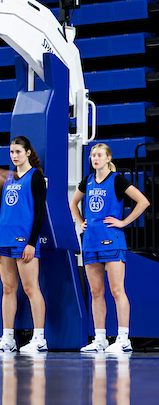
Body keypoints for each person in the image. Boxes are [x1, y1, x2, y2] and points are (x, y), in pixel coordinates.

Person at [70, 143, 150, 355]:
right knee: (96, 292)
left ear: (108, 158)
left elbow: (143, 201)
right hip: (90, 242)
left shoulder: (117, 180)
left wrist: (124, 222)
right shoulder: (87, 181)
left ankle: (123, 339)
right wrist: (80, 221)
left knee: (117, 290)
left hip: (112, 241)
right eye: (93, 155)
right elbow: (73, 203)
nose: (95, 158)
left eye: (99, 155)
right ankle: (100, 339)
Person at [0, 136, 49, 354]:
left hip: (24, 242)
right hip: (4, 240)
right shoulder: (9, 178)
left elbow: (40, 213)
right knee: (8, 289)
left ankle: (39, 338)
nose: (14, 156)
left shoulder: (35, 177)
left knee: (31, 288)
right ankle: (8, 339)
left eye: (18, 152)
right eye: (12, 152)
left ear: (28, 152)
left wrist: (31, 243)